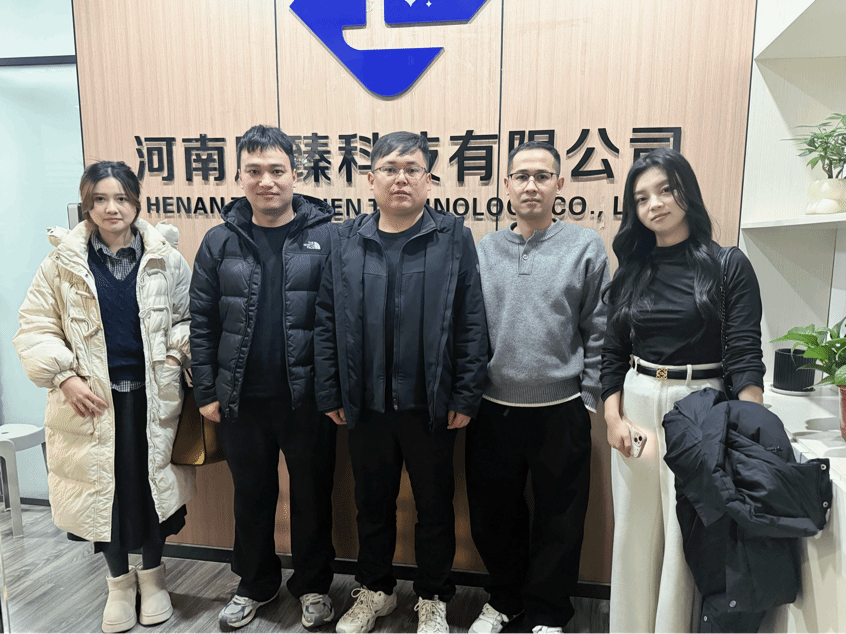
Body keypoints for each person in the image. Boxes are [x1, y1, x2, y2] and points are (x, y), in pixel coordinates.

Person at [314, 131, 487, 634]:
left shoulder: (452, 237)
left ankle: (432, 596)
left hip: (430, 404)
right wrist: (331, 391)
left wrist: (465, 393)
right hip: (364, 404)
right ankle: (376, 590)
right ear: (371, 180)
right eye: (390, 168)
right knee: (372, 506)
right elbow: (326, 319)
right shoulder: (345, 240)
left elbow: (471, 319)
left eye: (412, 169)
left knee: (434, 509)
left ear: (429, 180)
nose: (401, 178)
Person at [14, 161, 195, 634]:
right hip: (90, 405)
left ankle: (153, 579)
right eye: (99, 199)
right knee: (104, 496)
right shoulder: (61, 264)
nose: (111, 208)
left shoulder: (166, 259)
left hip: (153, 400)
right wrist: (64, 378)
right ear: (86, 205)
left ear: (136, 202)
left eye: (121, 198)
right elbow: (35, 327)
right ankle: (118, 584)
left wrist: (175, 355)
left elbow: (189, 318)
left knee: (150, 491)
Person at [600, 147, 765, 634]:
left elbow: (744, 355)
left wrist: (750, 433)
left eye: (665, 190)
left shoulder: (727, 264)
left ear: (686, 192)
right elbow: (612, 353)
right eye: (641, 198)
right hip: (637, 402)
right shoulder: (631, 269)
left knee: (684, 531)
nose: (654, 204)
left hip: (700, 407)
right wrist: (612, 417)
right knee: (634, 533)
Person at [189, 125, 337, 630]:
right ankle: (255, 582)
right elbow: (202, 321)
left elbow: (343, 320)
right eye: (254, 171)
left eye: (276, 170)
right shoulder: (220, 240)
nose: (266, 181)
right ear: (239, 177)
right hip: (241, 400)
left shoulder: (328, 237)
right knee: (251, 498)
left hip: (308, 397)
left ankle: (314, 586)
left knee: (312, 497)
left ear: (295, 174)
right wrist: (206, 391)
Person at [467, 141, 609, 634]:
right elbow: (469, 329)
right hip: (492, 408)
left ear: (559, 184)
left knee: (561, 519)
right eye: (522, 176)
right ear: (506, 184)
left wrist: (590, 396)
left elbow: (599, 326)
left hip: (561, 408)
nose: (532, 185)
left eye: (542, 176)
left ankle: (548, 611)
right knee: (492, 516)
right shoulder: (484, 250)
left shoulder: (585, 245)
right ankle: (504, 600)